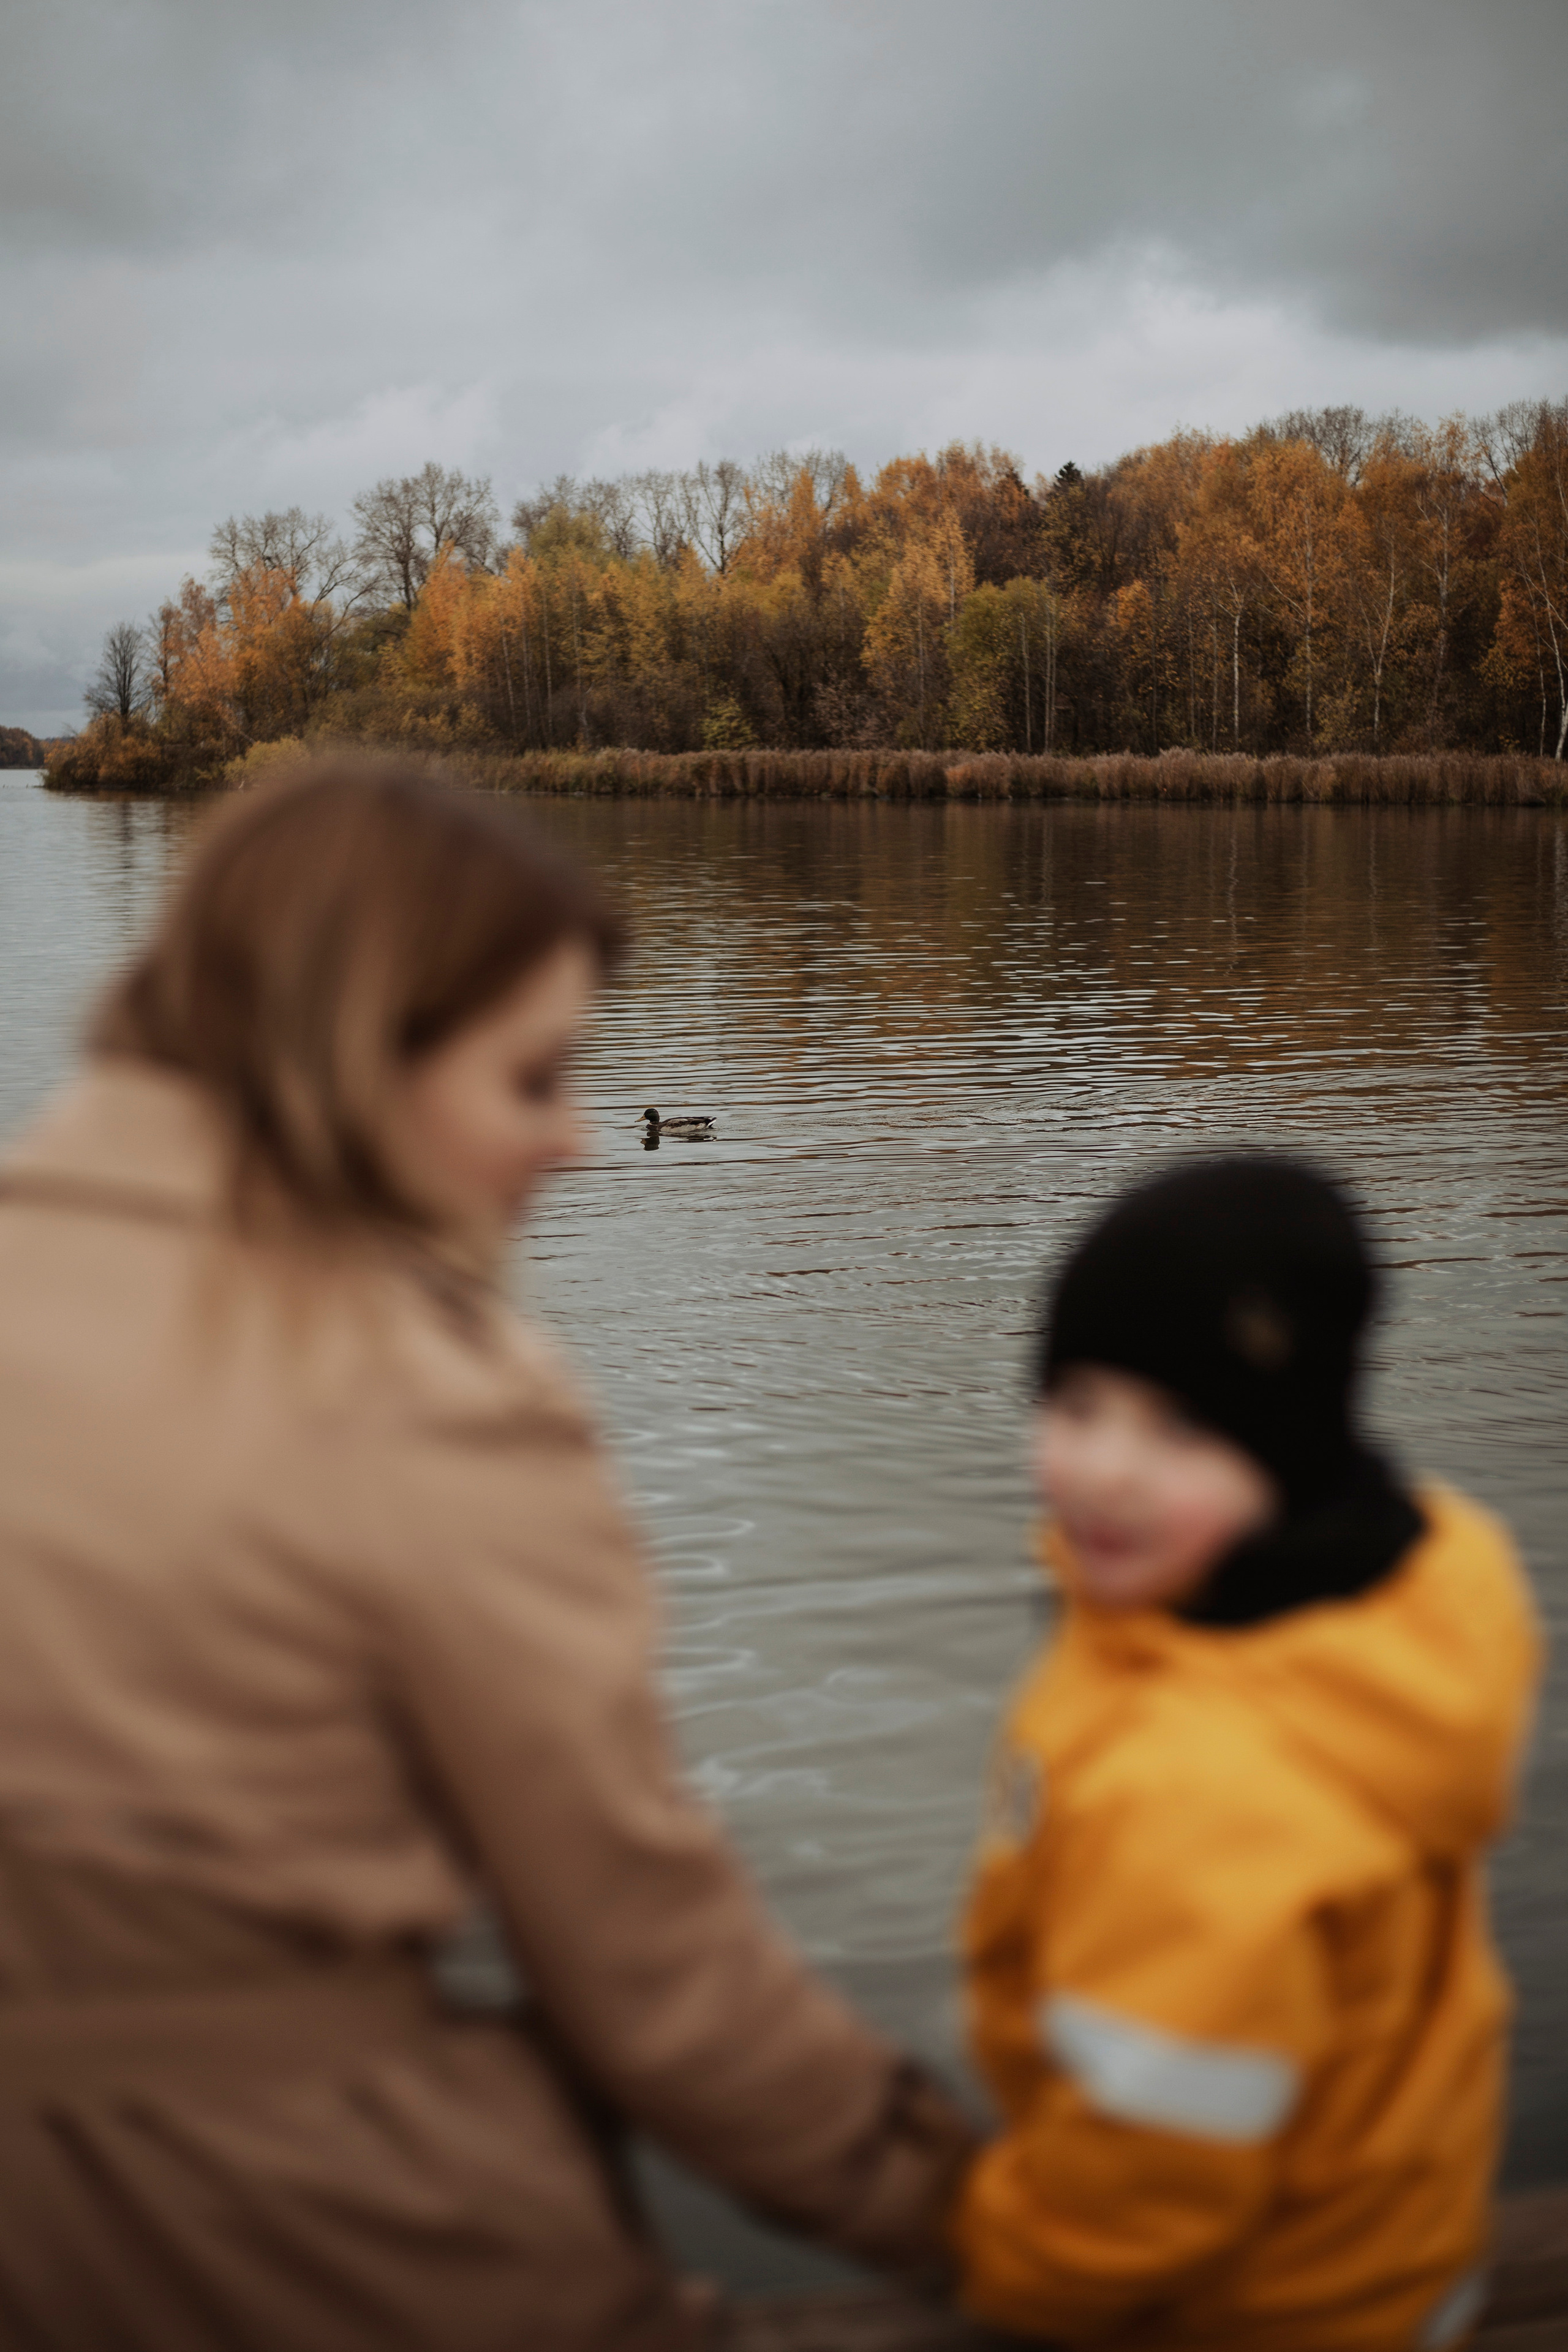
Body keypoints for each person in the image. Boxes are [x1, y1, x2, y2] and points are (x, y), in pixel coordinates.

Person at [0, 756, 973, 2352]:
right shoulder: (423, 1398)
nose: (575, 1146)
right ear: (362, 1051)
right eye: (534, 1082)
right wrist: (998, 2218)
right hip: (343, 2259)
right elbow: (657, 1985)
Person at [951, 1158, 1540, 2351]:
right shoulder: (1405, 1605)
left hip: (1247, 2308)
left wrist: (997, 2266)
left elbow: (1151, 2174)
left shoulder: (1205, 1798)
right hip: (1389, 2252)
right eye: (1074, 1407)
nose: (1105, 1469)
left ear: (1285, 1451)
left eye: (1177, 1428)